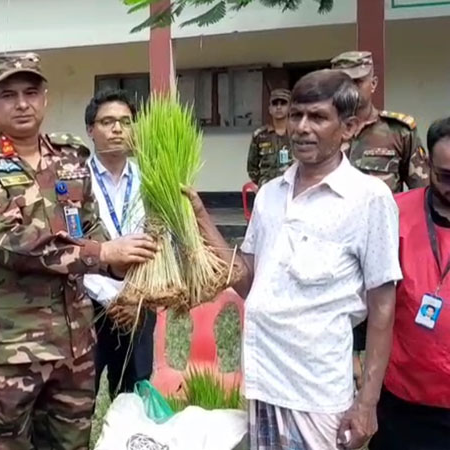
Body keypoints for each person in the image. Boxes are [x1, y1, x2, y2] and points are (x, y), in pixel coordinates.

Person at [184, 70, 401, 449]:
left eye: (317, 117)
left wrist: (367, 402)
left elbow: (382, 307)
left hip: (316, 392)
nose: (301, 127)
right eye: (297, 115)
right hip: (263, 380)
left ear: (348, 128)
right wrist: (202, 217)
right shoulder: (270, 193)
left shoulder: (369, 199)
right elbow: (247, 279)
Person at [0, 53, 157, 450]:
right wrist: (104, 253)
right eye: (8, 94)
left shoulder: (71, 156)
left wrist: (126, 266)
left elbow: (90, 222)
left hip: (75, 342)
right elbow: (11, 242)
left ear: (45, 97)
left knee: (72, 443)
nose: (22, 103)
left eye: (31, 92)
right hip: (11, 348)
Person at [332, 51, 429, 382]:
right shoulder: (326, 131)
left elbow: (422, 194)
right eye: (342, 83)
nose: (351, 90)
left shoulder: (397, 132)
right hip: (335, 251)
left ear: (372, 84)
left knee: (385, 327)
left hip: (386, 252)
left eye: (357, 83)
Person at [368, 117, 450, 450]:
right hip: (405, 399)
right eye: (445, 176)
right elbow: (370, 298)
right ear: (427, 164)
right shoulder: (395, 214)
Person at [81, 89, 155, 399]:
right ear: (90, 130)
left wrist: (135, 298)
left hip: (139, 305)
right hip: (88, 306)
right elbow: (71, 245)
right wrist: (109, 297)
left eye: (126, 122)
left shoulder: (153, 181)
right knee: (81, 397)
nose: (117, 129)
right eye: (108, 121)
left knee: (134, 397)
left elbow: (163, 243)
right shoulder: (73, 181)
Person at [246, 88, 293, 187]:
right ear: (270, 109)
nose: (278, 107)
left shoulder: (297, 133)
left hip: (292, 187)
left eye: (283, 103)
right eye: (275, 104)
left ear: (290, 108)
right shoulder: (260, 135)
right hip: (267, 188)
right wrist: (261, 183)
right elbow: (252, 168)